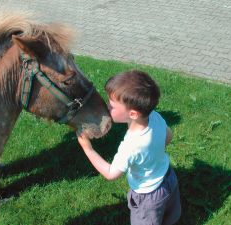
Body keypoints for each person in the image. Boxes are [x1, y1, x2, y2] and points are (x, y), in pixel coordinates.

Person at [76, 70, 181, 225]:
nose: (106, 107)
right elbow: (169, 136)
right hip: (168, 178)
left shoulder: (130, 145)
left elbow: (111, 174)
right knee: (170, 216)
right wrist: (153, 152)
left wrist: (88, 149)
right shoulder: (154, 116)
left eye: (111, 106)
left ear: (132, 114)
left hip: (147, 197)